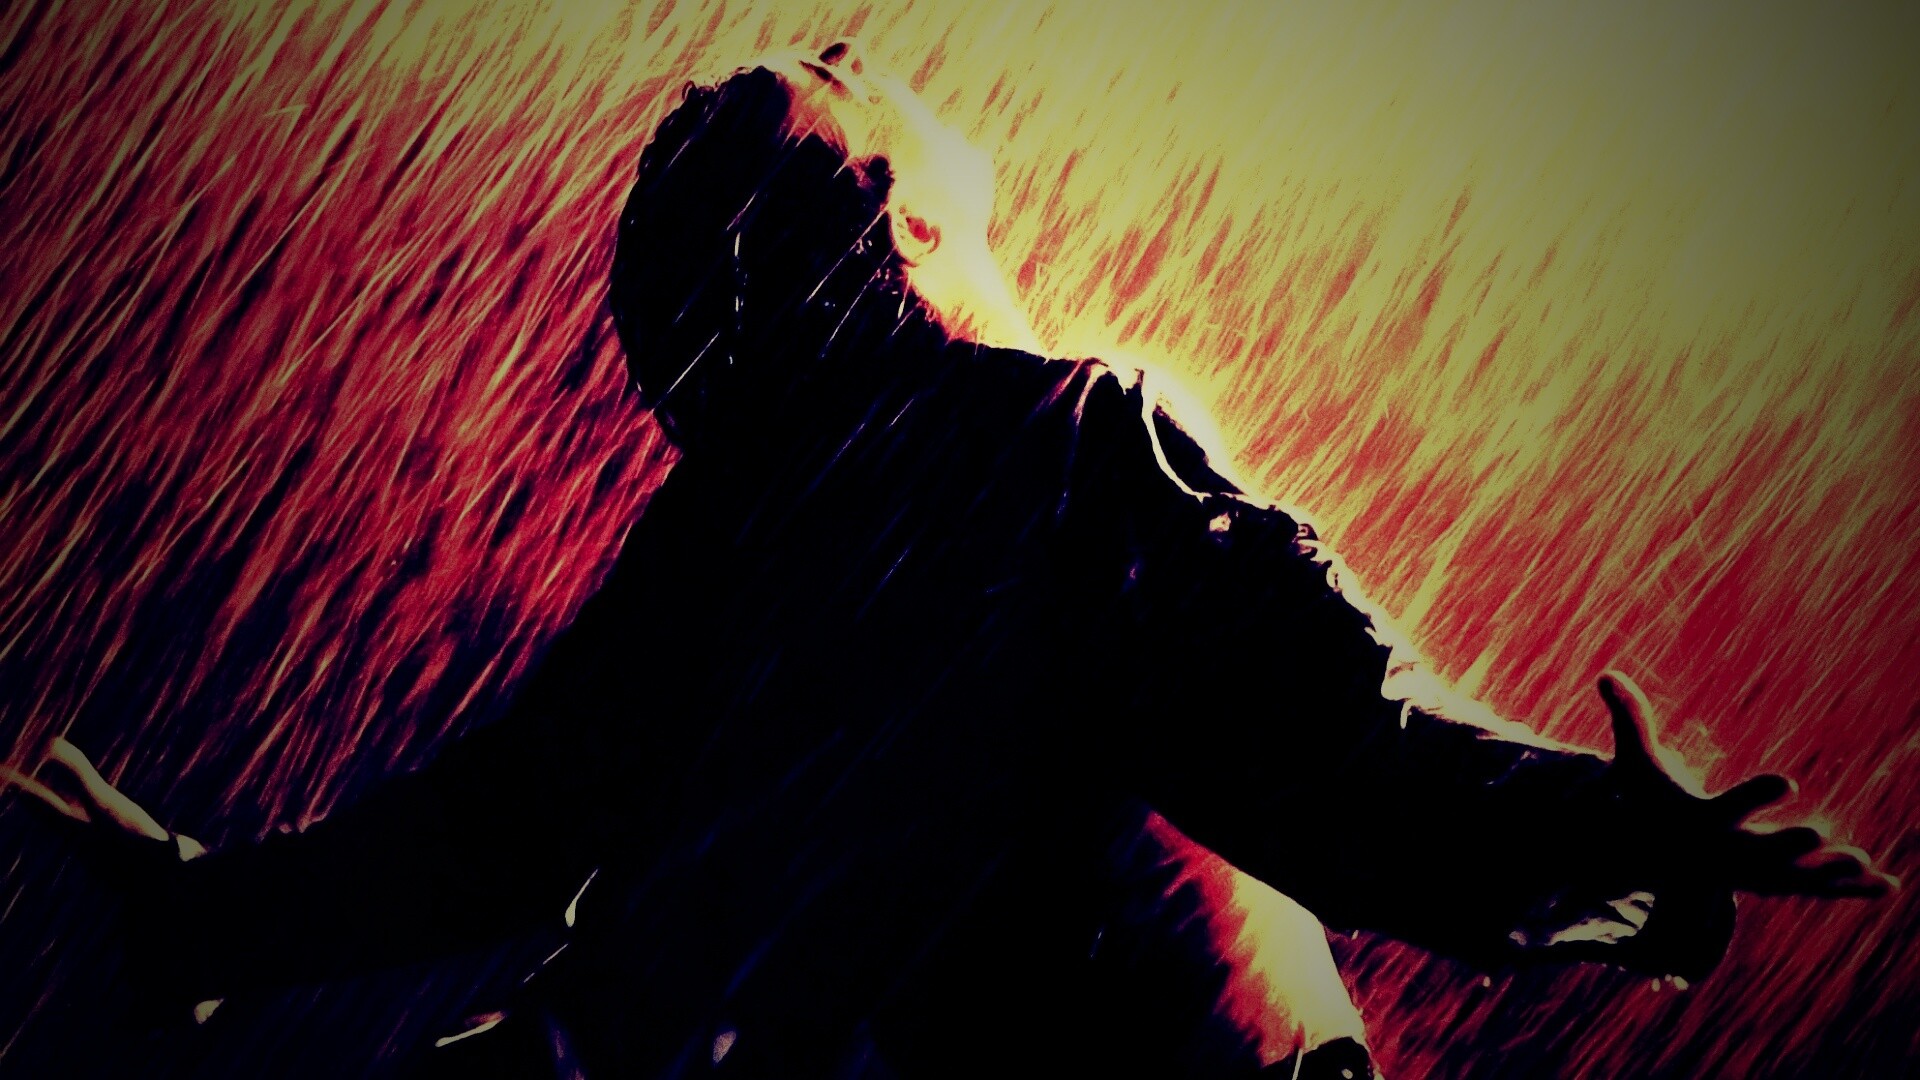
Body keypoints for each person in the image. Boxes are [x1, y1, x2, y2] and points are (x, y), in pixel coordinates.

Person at [5, 44, 1894, 1079]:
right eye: (811, 79)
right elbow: (1332, 761)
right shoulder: (1044, 445)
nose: (833, 44)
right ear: (899, 222)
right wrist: (1617, 836)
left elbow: (503, 829)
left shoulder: (734, 545)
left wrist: (208, 922)